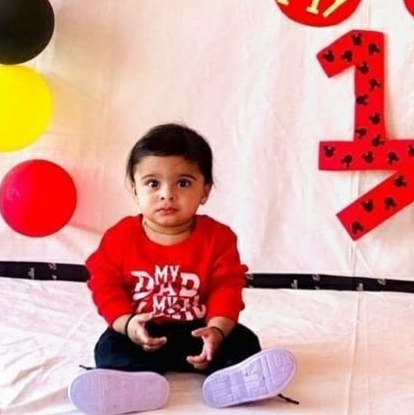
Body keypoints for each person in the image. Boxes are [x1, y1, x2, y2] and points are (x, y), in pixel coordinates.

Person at [68, 123, 297, 414]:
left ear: (205, 190)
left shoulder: (218, 238)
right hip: (143, 332)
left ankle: (234, 380)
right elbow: (104, 284)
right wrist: (127, 324)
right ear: (134, 187)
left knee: (244, 340)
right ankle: (134, 384)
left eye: (183, 183)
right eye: (153, 183)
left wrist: (216, 329)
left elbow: (227, 287)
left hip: (198, 333)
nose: (168, 194)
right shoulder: (120, 237)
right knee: (110, 347)